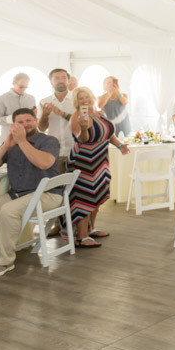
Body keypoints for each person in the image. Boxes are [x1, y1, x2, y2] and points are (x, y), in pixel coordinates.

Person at [0, 109, 60, 280]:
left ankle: (5, 261)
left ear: (35, 120)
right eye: (20, 122)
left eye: (28, 120)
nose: (25, 125)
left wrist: (22, 141)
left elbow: (44, 163)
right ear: (13, 125)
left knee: (8, 211)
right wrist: (5, 148)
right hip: (18, 194)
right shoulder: (11, 144)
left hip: (46, 195)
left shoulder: (49, 141)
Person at [67, 86, 129, 248]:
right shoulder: (77, 116)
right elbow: (82, 139)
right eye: (80, 98)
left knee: (98, 194)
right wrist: (83, 127)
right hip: (84, 160)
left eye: (87, 96)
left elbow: (109, 134)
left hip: (101, 160)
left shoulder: (100, 113)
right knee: (84, 195)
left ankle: (91, 229)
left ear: (92, 97)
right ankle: (81, 236)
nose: (85, 100)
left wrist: (120, 145)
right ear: (76, 102)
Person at [38, 68, 76, 173]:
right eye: (56, 78)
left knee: (77, 186)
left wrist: (63, 114)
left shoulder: (77, 99)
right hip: (54, 152)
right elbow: (41, 128)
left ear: (68, 81)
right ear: (51, 81)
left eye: (63, 78)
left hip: (75, 151)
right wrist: (45, 115)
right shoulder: (44, 102)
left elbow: (85, 122)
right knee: (56, 186)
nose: (60, 81)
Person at [0, 73, 36, 144]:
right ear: (13, 83)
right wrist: (14, 118)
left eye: (26, 87)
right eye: (21, 87)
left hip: (29, 141)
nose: (24, 89)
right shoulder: (1, 99)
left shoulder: (31, 98)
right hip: (8, 142)